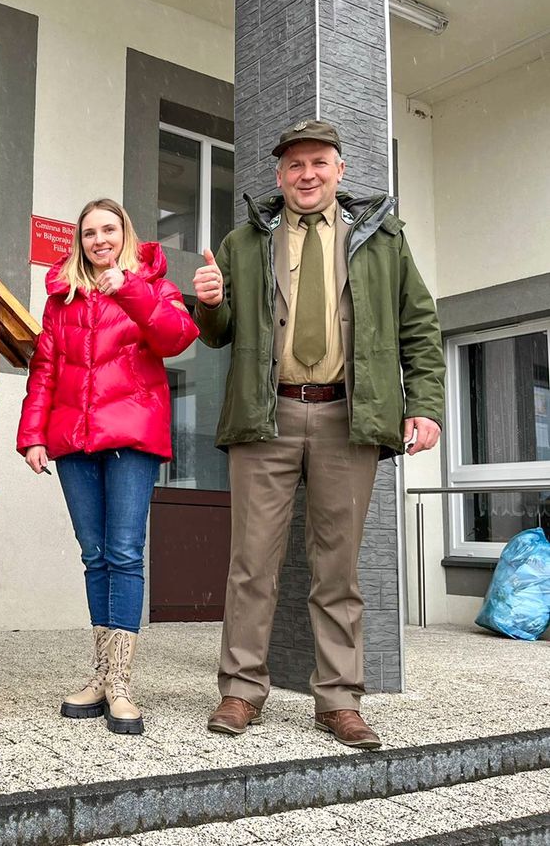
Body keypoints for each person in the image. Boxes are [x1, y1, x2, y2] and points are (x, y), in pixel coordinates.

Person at [192, 119, 444, 749]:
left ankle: (338, 698)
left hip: (348, 416)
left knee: (337, 567)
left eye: (319, 163)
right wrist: (209, 300)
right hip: (264, 414)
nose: (307, 175)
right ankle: (241, 690)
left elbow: (419, 323)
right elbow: (217, 331)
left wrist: (428, 406)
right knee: (252, 562)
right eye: (295, 165)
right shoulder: (246, 239)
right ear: (279, 177)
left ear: (340, 170)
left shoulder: (381, 238)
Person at [17, 198, 199, 735]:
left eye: (109, 230)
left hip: (132, 436)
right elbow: (45, 368)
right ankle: (100, 675)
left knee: (123, 552)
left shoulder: (151, 285)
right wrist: (32, 435)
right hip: (72, 439)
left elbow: (177, 337)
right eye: (90, 232)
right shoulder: (62, 297)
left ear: (125, 234)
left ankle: (119, 683)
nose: (99, 240)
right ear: (80, 240)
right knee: (94, 556)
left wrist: (129, 288)